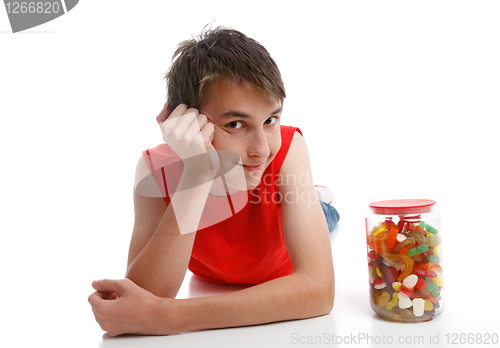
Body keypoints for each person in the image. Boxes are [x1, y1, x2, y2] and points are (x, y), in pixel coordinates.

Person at [88, 26, 340, 336]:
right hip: (227, 249)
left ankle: (319, 201)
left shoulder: (287, 151)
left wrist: (170, 317)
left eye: (270, 120)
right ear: (186, 122)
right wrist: (196, 173)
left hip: (282, 231)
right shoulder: (154, 170)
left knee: (322, 213)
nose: (262, 149)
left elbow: (318, 292)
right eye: (235, 124)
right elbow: (142, 298)